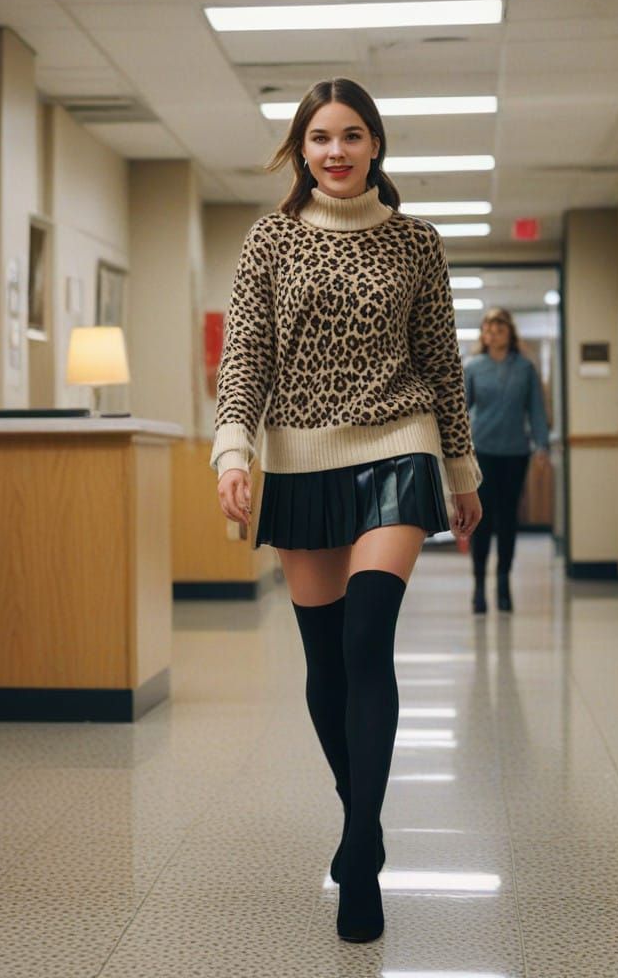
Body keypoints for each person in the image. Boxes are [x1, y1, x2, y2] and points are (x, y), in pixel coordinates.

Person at [211, 78, 482, 944]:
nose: (336, 151)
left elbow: (441, 360)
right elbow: (247, 355)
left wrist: (462, 471)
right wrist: (231, 450)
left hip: (398, 445)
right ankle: (356, 808)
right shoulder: (271, 240)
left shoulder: (415, 242)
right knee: (325, 659)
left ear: (376, 146)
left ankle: (360, 850)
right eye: (320, 137)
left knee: (368, 637)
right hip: (300, 456)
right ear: (301, 150)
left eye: (352, 135)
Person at [464, 307, 550, 615]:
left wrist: (542, 447)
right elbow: (461, 412)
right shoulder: (473, 367)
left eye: (499, 327)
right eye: (488, 328)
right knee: (483, 520)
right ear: (483, 335)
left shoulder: (525, 369)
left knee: (508, 519)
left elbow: (536, 411)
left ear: (510, 333)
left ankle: (503, 583)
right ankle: (478, 586)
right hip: (482, 451)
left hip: (515, 452)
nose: (493, 332)